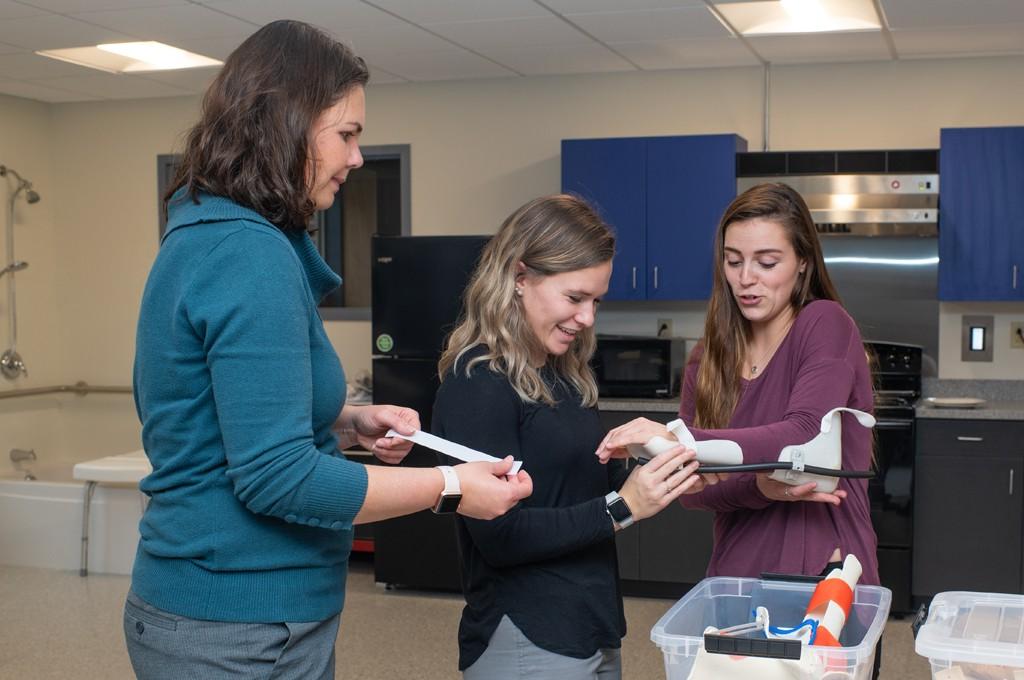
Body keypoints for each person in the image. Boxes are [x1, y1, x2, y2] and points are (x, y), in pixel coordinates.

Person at [125, 20, 531, 680]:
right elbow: (276, 475)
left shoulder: (210, 230)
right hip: (234, 624)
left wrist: (344, 420)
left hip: (239, 613)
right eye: (346, 134)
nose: (357, 158)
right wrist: (451, 487)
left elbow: (221, 405)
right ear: (283, 125)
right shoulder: (247, 253)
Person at [432, 194, 717, 680]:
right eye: (574, 298)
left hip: (591, 620)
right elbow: (500, 537)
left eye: (595, 300)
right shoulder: (477, 382)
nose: (587, 317)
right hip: (527, 629)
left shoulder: (565, 375)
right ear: (520, 278)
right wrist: (623, 507)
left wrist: (648, 464)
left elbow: (573, 489)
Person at [596, 182, 879, 585]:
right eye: (733, 261)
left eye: (766, 262)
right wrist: (761, 487)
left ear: (803, 261)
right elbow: (693, 493)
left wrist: (685, 443)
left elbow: (804, 433)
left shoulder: (825, 323)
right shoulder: (708, 357)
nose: (746, 279)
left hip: (825, 570)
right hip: (735, 574)